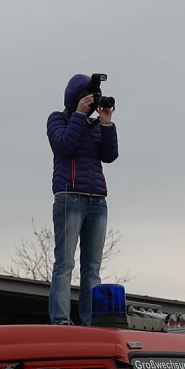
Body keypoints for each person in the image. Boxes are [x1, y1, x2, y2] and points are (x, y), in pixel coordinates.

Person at [46, 73, 118, 325]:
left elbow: (110, 155)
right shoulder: (58, 119)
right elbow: (63, 145)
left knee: (92, 269)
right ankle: (60, 320)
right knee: (65, 264)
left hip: (98, 201)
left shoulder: (95, 125)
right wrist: (78, 114)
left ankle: (90, 322)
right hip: (70, 197)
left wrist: (106, 123)